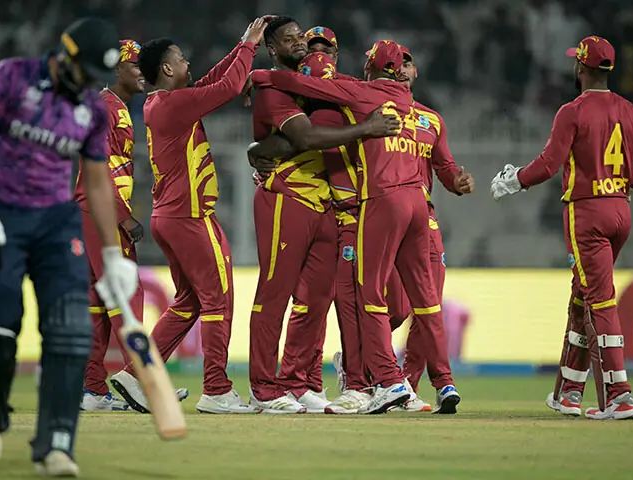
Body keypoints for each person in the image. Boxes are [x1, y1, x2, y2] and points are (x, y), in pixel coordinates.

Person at [0, 18, 138, 476]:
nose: (92, 85)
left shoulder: (91, 111)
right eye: (88, 72)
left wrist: (112, 255)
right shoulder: (11, 77)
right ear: (65, 54)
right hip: (3, 214)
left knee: (71, 333)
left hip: (57, 223)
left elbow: (97, 182)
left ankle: (56, 445)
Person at [250, 40, 444, 414]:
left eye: (330, 52)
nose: (323, 62)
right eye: (315, 52)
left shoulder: (358, 99)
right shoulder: (318, 110)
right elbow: (281, 143)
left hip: (373, 214)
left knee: (394, 306)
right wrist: (259, 150)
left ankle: (360, 376)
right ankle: (356, 383)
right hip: (341, 217)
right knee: (338, 303)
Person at [491, 36, 633, 420]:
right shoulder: (631, 111)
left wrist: (515, 179)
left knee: (598, 298)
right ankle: (568, 390)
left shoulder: (573, 111)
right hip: (620, 212)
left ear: (581, 68)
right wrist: (624, 183)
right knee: (583, 296)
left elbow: (550, 163)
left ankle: (619, 395)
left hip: (586, 214)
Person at [109, 18, 269, 415]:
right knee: (219, 300)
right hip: (191, 216)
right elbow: (229, 87)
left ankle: (136, 377)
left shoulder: (162, 103)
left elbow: (215, 82)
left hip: (171, 215)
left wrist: (240, 47)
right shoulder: (175, 104)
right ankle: (216, 388)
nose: (187, 62)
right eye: (180, 59)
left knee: (188, 302)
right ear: (166, 69)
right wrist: (249, 46)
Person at [73, 39, 188, 411]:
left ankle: (92, 389)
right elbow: (98, 168)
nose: (141, 72)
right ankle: (145, 382)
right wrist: (123, 216)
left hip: (91, 210)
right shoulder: (106, 108)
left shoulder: (115, 107)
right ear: (116, 70)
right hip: (100, 211)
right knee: (127, 296)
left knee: (98, 299)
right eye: (134, 65)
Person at [385, 45, 472, 414]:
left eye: (408, 63)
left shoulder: (430, 120)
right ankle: (364, 367)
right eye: (395, 65)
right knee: (397, 308)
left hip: (425, 218)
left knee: (429, 305)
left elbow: (445, 167)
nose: (403, 69)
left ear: (416, 71)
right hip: (384, 217)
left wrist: (457, 180)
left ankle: (420, 384)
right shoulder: (374, 114)